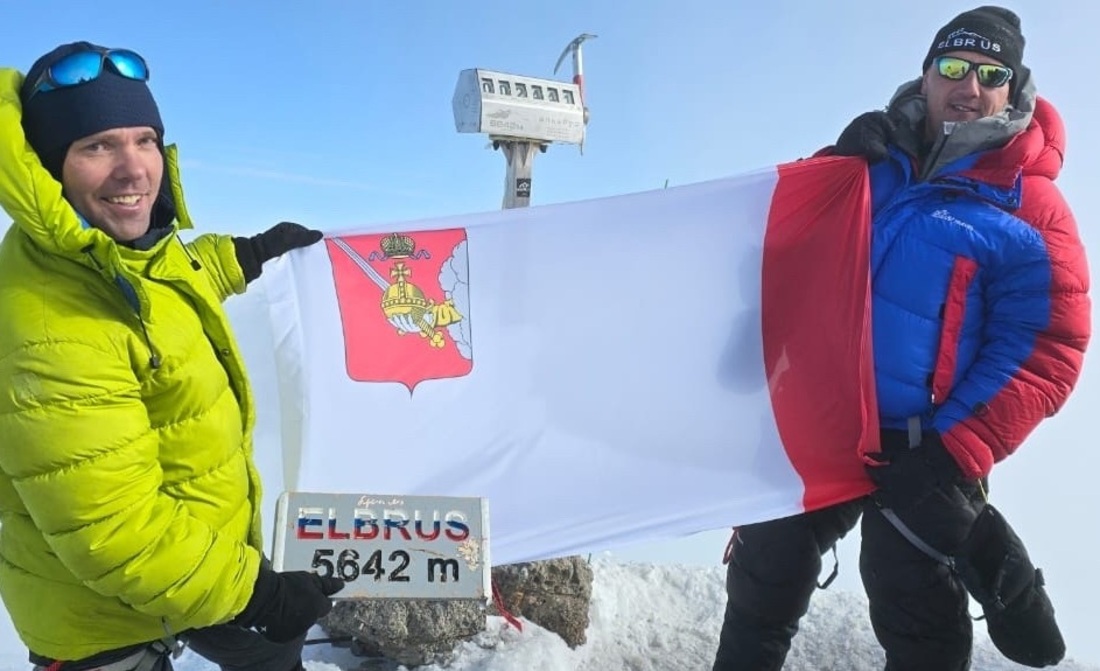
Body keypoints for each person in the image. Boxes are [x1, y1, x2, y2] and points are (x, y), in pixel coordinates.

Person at [712, 7, 1089, 671]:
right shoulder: (874, 161)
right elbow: (778, 240)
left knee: (911, 592)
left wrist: (955, 448)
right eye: (952, 67)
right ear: (926, 75)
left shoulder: (1033, 208)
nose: (967, 85)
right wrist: (831, 165)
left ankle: (999, 566)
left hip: (927, 440)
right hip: (826, 415)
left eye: (989, 73)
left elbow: (1044, 348)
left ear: (1014, 89)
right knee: (765, 566)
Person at [0, 42, 346, 670]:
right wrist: (261, 594)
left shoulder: (118, 254)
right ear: (51, 168)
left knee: (273, 654)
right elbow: (115, 534)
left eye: (144, 140)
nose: (134, 170)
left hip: (197, 557)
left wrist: (241, 254)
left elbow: (163, 286)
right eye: (97, 146)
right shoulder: (52, 324)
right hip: (103, 618)